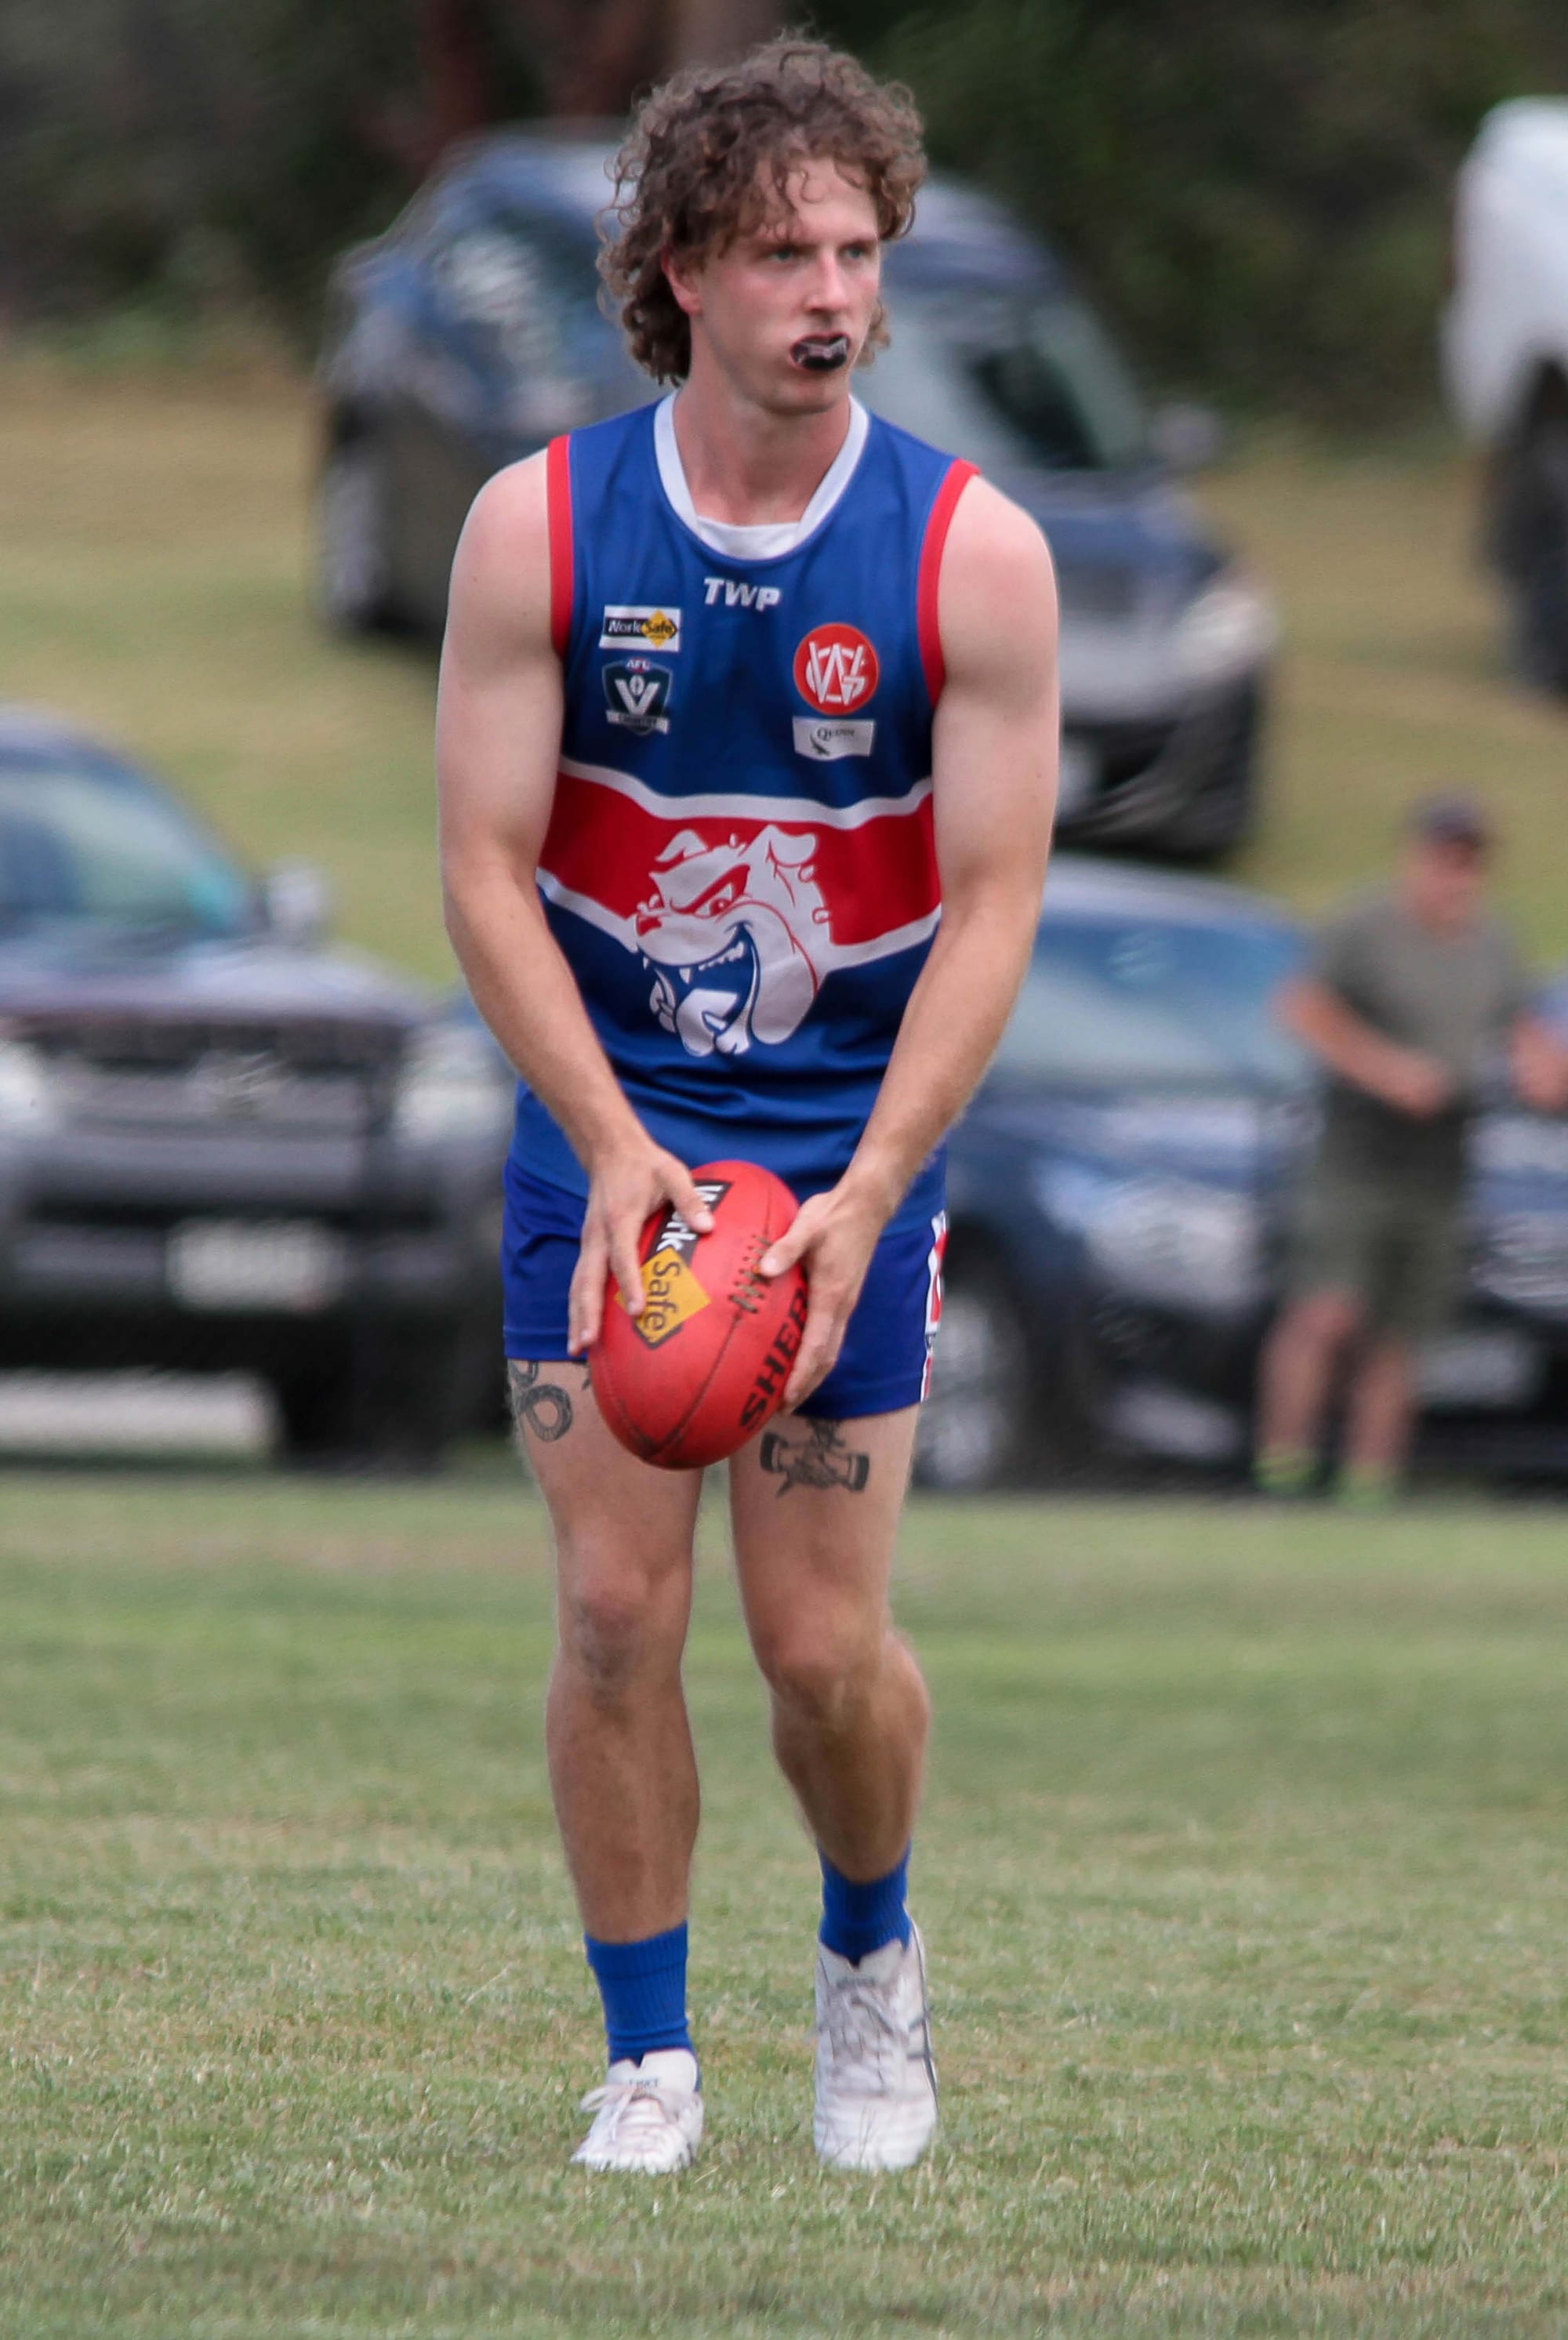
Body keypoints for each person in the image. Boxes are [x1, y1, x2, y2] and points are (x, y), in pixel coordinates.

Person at [436, 38, 1058, 2174]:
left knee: (824, 1652)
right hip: (608, 1117)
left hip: (839, 1144)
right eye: (785, 249)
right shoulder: (541, 520)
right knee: (615, 1610)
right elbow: (479, 873)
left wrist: (874, 1187)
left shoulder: (973, 554)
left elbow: (989, 910)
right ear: (681, 268)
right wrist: (612, 1146)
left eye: (861, 249)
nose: (834, 291)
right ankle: (649, 2057)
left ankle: (871, 1964)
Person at [1255, 795, 1568, 1503]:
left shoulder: (1493, 942)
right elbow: (1302, 1009)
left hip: (1444, 1162)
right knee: (1326, 1312)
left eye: (1472, 862)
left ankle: (1371, 1484)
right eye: (1447, 857)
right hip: (1357, 1157)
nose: (1458, 875)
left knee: (1402, 1330)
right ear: (1417, 855)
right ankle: (1283, 1468)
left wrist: (1541, 1070)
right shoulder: (1366, 926)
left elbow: (1521, 1029)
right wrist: (1388, 1070)